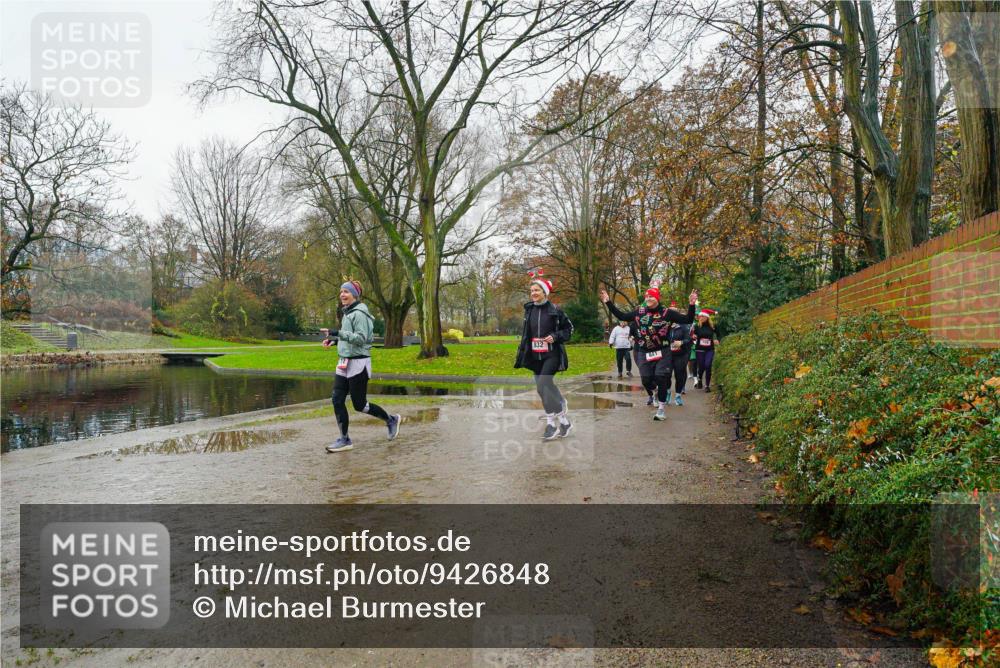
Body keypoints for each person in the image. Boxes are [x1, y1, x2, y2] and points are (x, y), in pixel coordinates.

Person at [600, 284, 697, 421]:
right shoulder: (639, 312)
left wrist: (691, 304)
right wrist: (608, 302)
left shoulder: (667, 313)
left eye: (651, 296)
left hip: (662, 350)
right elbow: (622, 315)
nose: (648, 298)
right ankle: (655, 391)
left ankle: (661, 410)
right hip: (644, 351)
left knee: (661, 377)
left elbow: (688, 319)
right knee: (646, 379)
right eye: (647, 296)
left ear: (657, 298)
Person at [323, 280, 401, 452]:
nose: (342, 295)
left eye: (346, 292)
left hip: (358, 363)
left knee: (360, 405)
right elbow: (349, 338)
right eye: (341, 292)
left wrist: (338, 333)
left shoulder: (359, 314)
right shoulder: (348, 313)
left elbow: (361, 338)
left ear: (355, 295)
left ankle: (391, 420)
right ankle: (345, 439)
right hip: (344, 362)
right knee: (337, 399)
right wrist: (335, 341)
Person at [514, 273, 574, 440]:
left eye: (537, 290)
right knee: (543, 390)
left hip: (551, 355)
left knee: (542, 385)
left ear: (545, 292)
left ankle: (551, 423)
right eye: (532, 290)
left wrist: (555, 336)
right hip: (535, 356)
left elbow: (569, 329)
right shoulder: (529, 310)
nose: (533, 293)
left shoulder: (555, 310)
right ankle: (563, 421)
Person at [665, 320, 693, 405]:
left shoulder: (683, 327)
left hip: (680, 355)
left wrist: (681, 342)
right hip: (668, 355)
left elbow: (689, 339)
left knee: (679, 375)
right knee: (666, 375)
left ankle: (678, 396)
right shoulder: (665, 327)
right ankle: (668, 392)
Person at [693, 309, 720, 392]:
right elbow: (692, 335)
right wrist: (693, 336)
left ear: (707, 317)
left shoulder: (712, 326)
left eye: (702, 316)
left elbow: (719, 334)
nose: (700, 318)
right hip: (699, 349)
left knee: (708, 365)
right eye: (700, 316)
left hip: (709, 349)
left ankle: (707, 385)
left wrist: (717, 340)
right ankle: (700, 379)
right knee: (701, 366)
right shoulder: (697, 326)